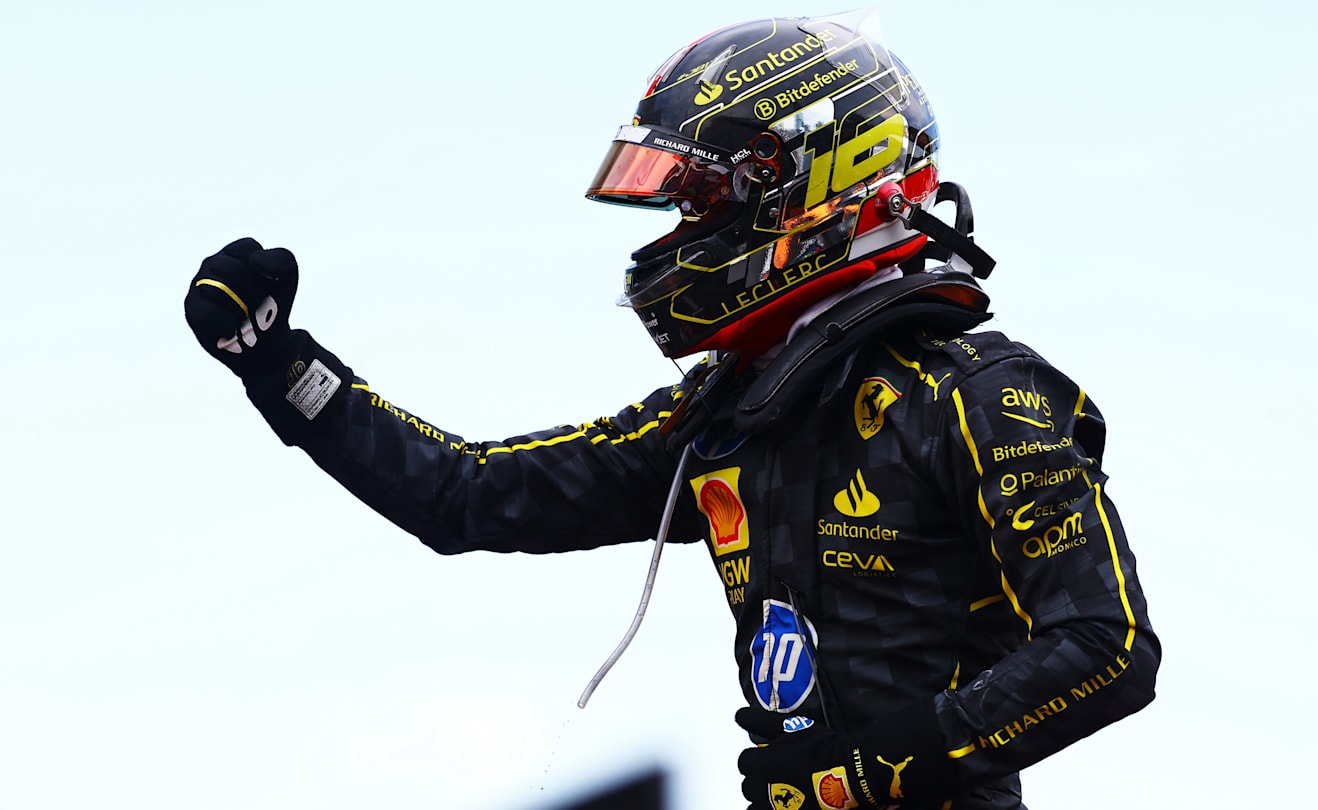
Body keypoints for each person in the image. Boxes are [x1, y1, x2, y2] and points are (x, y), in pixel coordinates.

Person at [183, 10, 1159, 810]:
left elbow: (1105, 648)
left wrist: (875, 772)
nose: (682, 231)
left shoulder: (981, 392)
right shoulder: (725, 414)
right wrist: (281, 367)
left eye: (696, 198)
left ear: (802, 186)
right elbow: (466, 496)